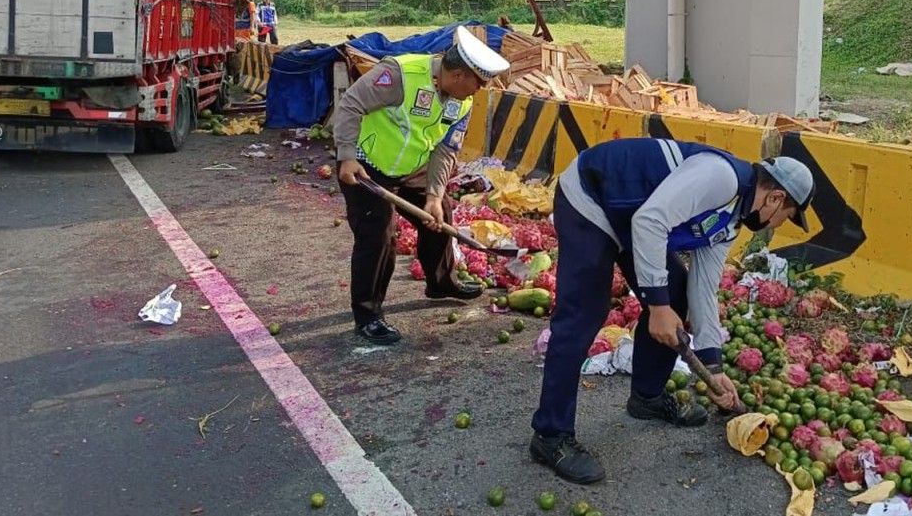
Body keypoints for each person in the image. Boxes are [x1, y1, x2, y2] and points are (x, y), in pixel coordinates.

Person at [529, 139, 814, 484]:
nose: (778, 224)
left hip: (631, 220)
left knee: (678, 290)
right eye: (785, 218)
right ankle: (550, 435)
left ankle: (647, 396)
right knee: (583, 313)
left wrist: (712, 366)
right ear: (776, 198)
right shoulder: (722, 178)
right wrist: (658, 306)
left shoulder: (730, 222)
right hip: (592, 198)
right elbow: (651, 221)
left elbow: (703, 290)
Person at [334, 27, 510, 345]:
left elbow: (445, 150)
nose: (479, 90)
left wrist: (434, 194)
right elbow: (351, 105)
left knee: (439, 216)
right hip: (366, 165)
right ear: (458, 75)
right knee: (379, 232)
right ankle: (368, 315)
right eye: (478, 83)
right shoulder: (399, 74)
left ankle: (441, 282)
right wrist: (347, 156)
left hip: (412, 168)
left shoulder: (462, 102)